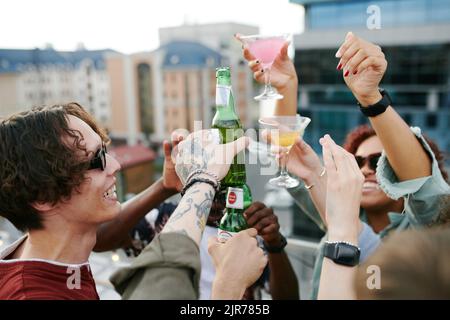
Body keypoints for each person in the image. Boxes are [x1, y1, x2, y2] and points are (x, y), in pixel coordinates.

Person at [239, 31, 450, 299]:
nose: (367, 169)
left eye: (381, 162)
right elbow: (286, 154)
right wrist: (286, 86)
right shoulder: (343, 217)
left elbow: (424, 186)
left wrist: (372, 98)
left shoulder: (428, 231)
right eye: (357, 162)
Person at [0, 104, 266, 300]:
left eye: (106, 151)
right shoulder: (32, 295)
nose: (115, 165)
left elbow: (106, 235)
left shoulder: (53, 258)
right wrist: (228, 288)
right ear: (43, 196)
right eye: (96, 161)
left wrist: (164, 186)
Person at [110, 129, 268, 299]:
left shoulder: (248, 231)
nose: (215, 191)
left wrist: (275, 244)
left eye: (223, 179)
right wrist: (164, 187)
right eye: (214, 178)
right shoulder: (165, 219)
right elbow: (102, 237)